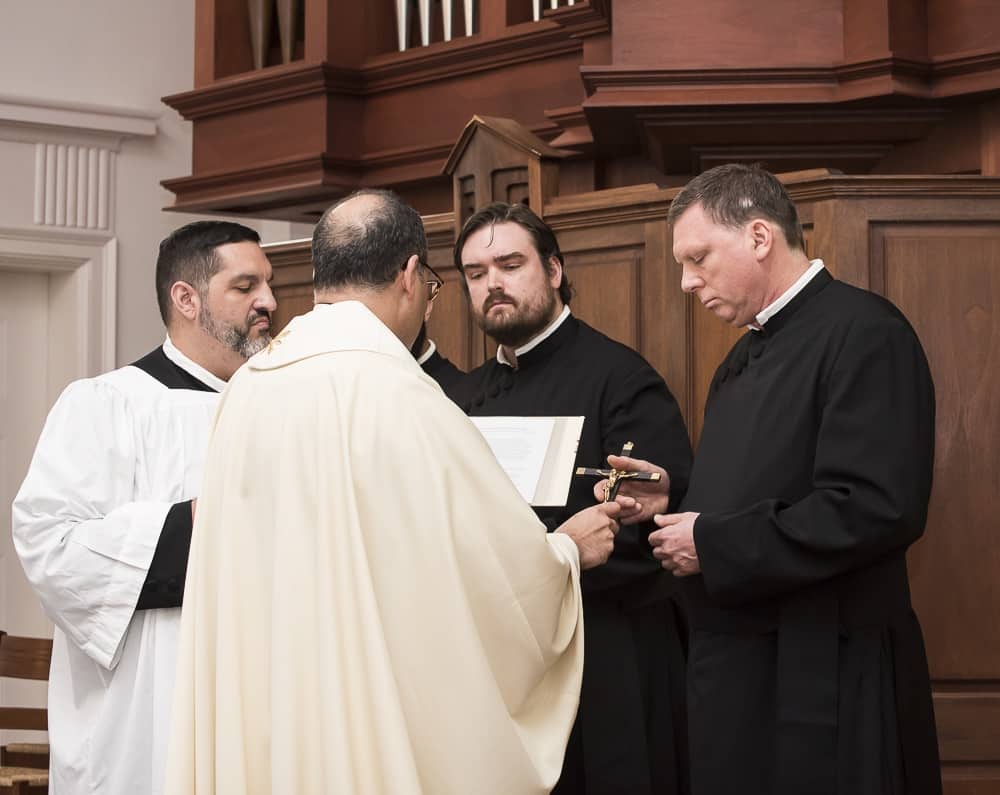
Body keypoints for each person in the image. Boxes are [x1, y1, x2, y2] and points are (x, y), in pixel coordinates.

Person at [164, 189, 623, 795]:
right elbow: (490, 570)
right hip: (360, 715)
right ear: (410, 275)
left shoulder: (249, 388)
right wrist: (565, 552)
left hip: (273, 704)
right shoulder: (402, 396)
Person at [609, 163, 941, 795]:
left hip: (823, 671)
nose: (686, 282)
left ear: (759, 237)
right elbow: (756, 494)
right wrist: (674, 501)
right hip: (739, 672)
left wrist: (713, 543)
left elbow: (876, 508)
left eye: (698, 257)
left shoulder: (866, 332)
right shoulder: (739, 358)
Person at [11, 221, 277, 795]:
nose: (270, 302)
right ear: (186, 298)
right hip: (146, 710)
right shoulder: (109, 404)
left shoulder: (281, 408)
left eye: (268, 284)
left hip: (266, 696)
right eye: (246, 286)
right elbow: (50, 544)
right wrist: (194, 524)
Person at [452, 202, 694, 795]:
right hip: (510, 659)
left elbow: (658, 516)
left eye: (510, 264)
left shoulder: (621, 377)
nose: (493, 284)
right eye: (476, 273)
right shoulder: (465, 396)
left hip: (608, 652)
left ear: (554, 271)